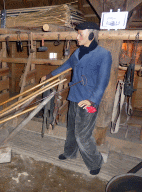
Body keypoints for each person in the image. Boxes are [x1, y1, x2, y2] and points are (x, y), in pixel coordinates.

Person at [41, 22, 112, 175]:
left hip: (89, 101)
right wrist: (49, 76)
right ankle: (70, 153)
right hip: (74, 96)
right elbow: (66, 65)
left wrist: (93, 100)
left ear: (92, 36)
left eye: (81, 34)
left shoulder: (103, 54)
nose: (77, 37)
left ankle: (95, 161)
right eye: (77, 33)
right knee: (71, 129)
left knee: (83, 135)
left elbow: (103, 82)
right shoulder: (78, 52)